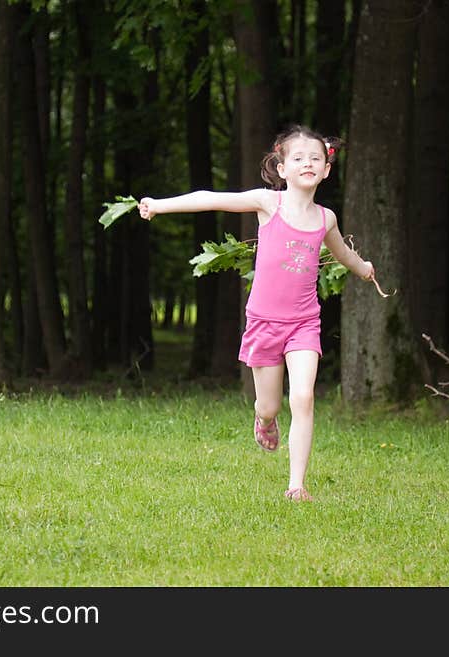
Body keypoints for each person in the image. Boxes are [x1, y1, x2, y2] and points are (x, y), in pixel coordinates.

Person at [138, 125, 375, 502]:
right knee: (271, 404)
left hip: (303, 323)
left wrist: (363, 268)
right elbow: (211, 198)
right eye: (298, 158)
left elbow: (340, 253)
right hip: (264, 322)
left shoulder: (325, 219)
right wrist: (160, 205)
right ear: (282, 169)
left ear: (326, 170)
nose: (307, 163)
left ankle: (296, 486)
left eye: (315, 158)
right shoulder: (269, 204)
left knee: (303, 397)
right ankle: (263, 419)